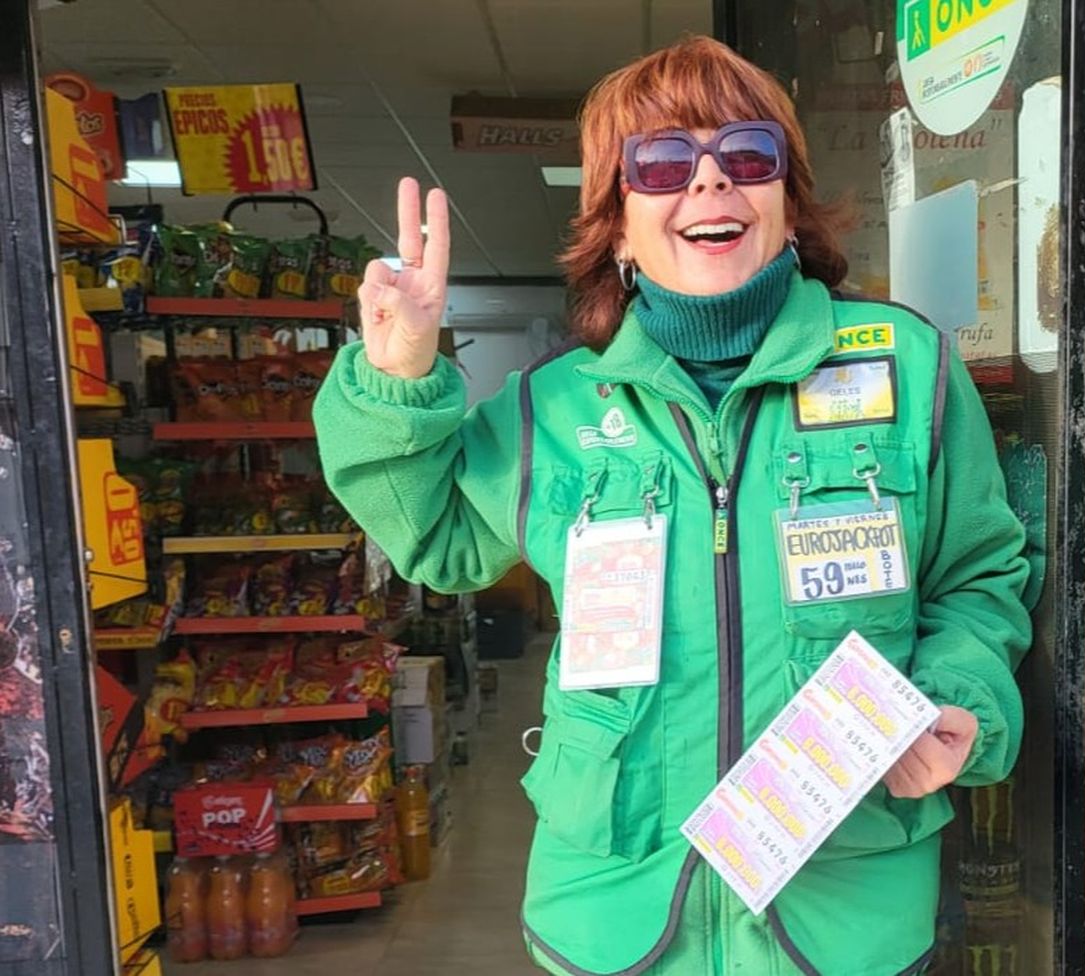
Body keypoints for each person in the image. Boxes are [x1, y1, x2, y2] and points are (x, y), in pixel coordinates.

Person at [315, 35, 1032, 976]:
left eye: (746, 155)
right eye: (660, 163)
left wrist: (960, 699)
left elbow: (977, 579)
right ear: (615, 224)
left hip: (844, 911)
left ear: (786, 197)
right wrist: (397, 374)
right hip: (618, 914)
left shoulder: (908, 367)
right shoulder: (553, 410)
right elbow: (436, 537)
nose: (709, 184)